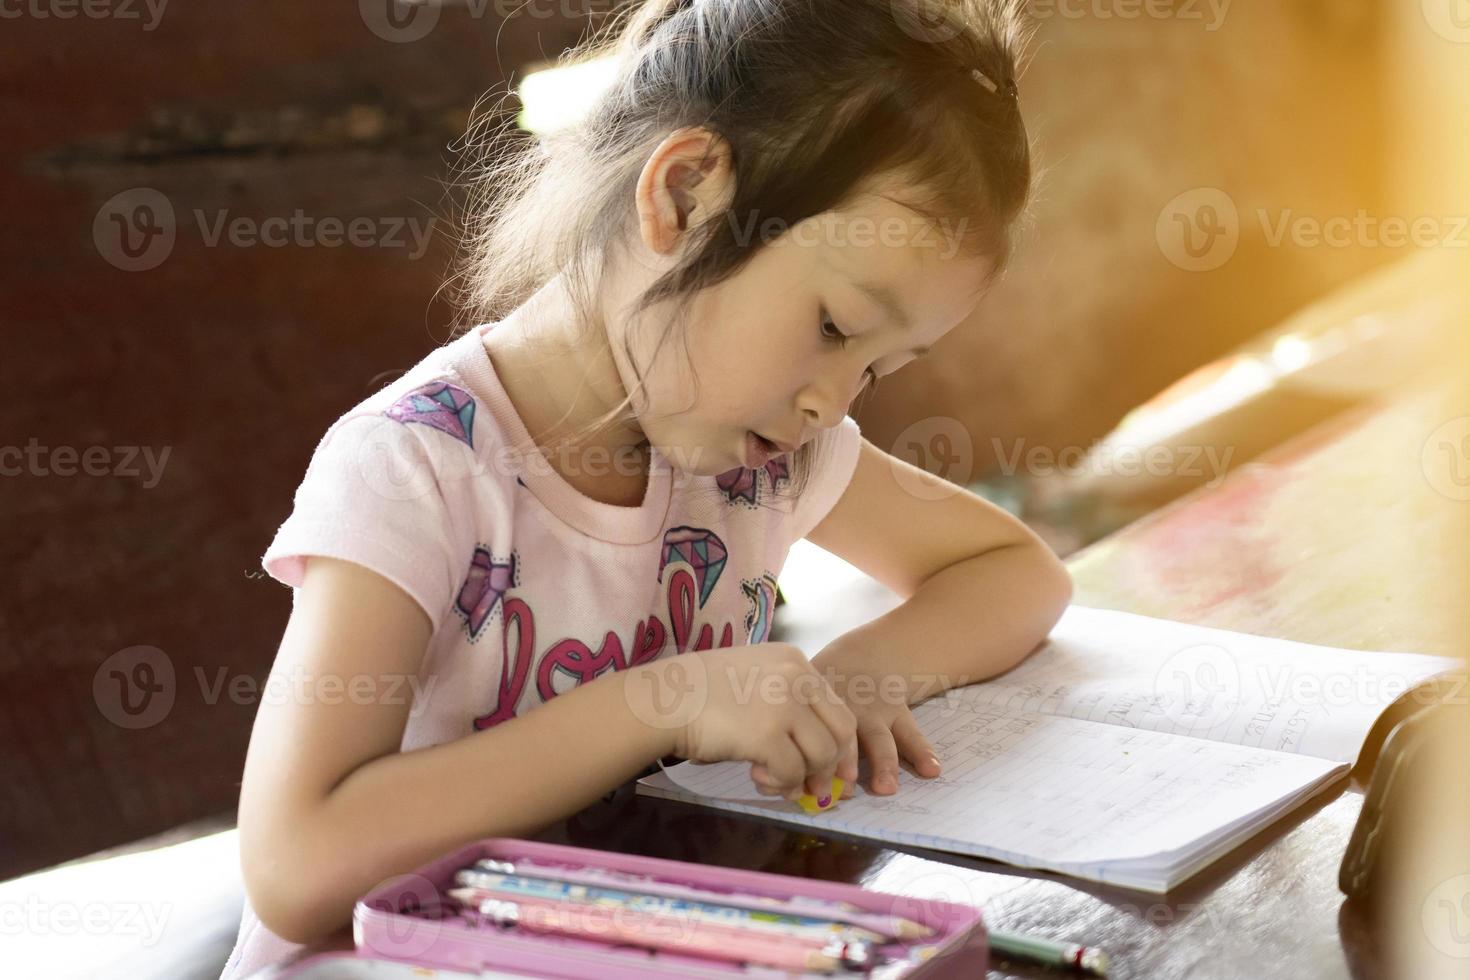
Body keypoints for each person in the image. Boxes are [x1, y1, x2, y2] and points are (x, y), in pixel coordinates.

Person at [220, 0, 1071, 975]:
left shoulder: (759, 453)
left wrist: (842, 688)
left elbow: (1012, 570)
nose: (831, 402)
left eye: (880, 368)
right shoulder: (420, 467)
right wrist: (667, 700)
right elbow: (297, 861)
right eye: (835, 328)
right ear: (684, 194)